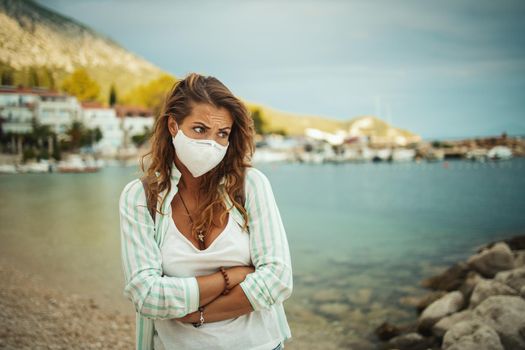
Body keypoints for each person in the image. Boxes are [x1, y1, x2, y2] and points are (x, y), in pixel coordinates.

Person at [119, 72, 293, 350]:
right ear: (174, 126)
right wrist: (230, 276)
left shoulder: (251, 186)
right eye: (200, 129)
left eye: (222, 133)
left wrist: (198, 315)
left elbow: (278, 280)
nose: (211, 143)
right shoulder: (141, 197)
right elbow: (147, 295)